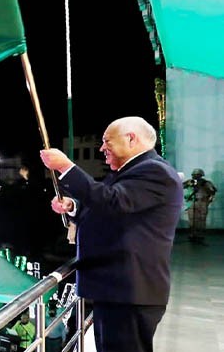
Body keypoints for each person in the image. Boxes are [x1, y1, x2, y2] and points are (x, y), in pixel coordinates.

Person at [41, 116, 182, 352]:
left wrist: (66, 167)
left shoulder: (155, 172)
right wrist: (72, 207)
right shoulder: (134, 171)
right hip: (118, 290)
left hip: (129, 293)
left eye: (107, 141)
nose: (102, 148)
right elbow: (109, 206)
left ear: (131, 139)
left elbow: (112, 201)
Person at [183, 168, 217, 244]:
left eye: (197, 175)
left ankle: (200, 235)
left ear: (201, 175)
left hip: (202, 202)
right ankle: (192, 234)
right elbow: (180, 186)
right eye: (194, 175)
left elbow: (213, 191)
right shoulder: (190, 182)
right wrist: (189, 184)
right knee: (192, 220)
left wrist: (205, 187)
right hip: (192, 202)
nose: (195, 176)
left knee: (201, 219)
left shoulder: (206, 183)